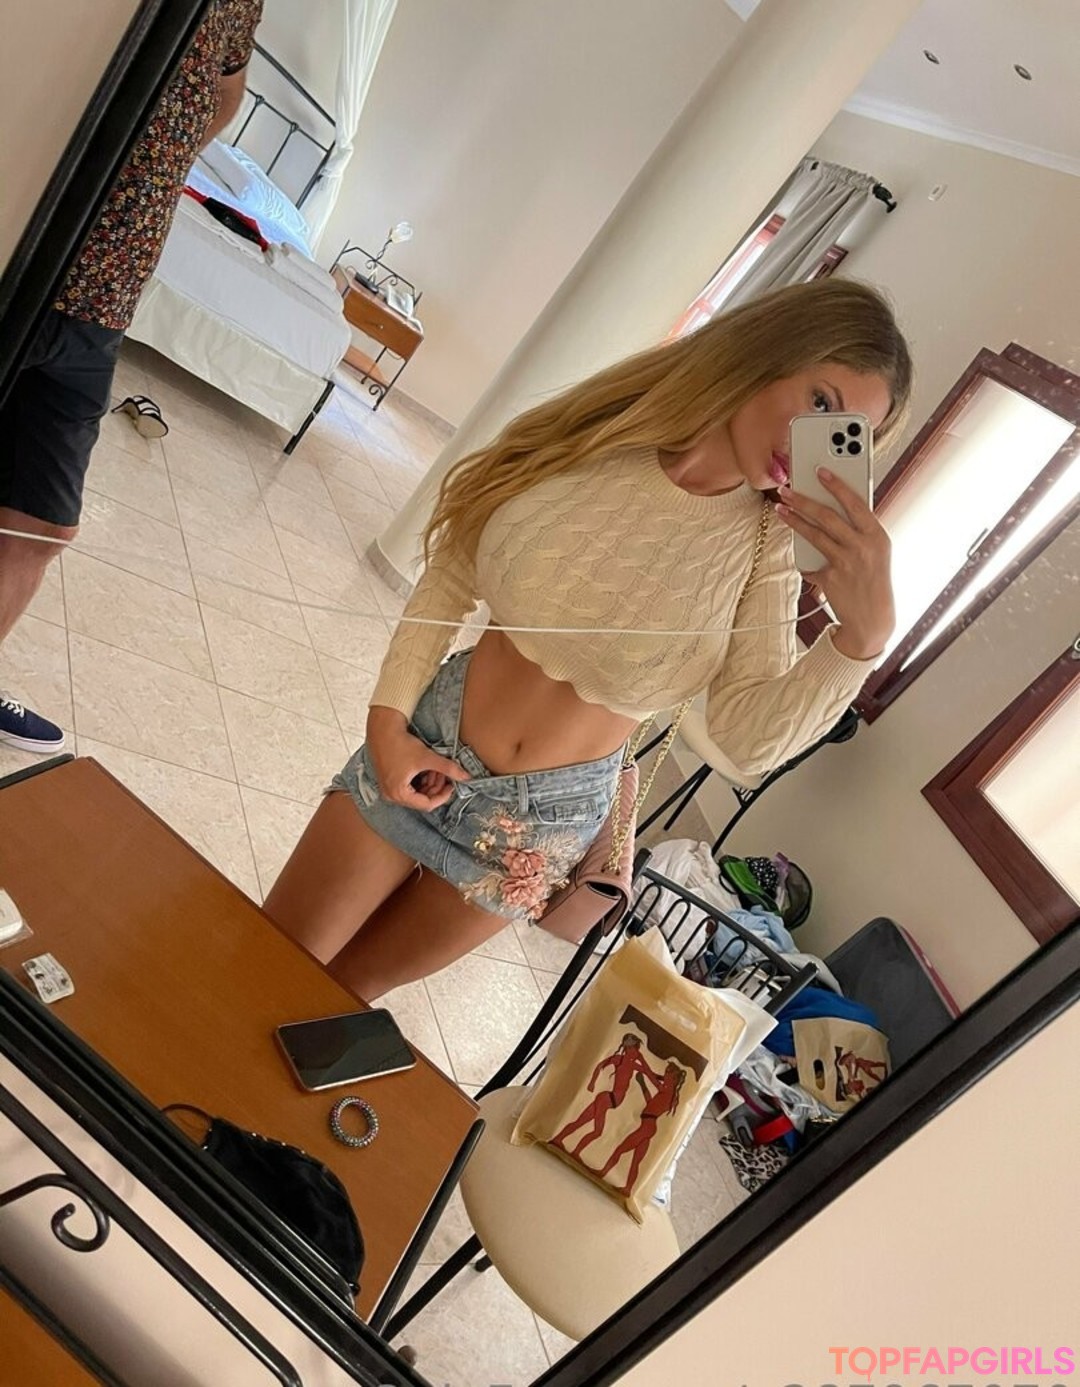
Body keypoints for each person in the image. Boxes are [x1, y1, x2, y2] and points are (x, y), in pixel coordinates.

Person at [265, 278, 913, 1001]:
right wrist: (385, 724)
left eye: (849, 431)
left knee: (340, 1000)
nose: (815, 441)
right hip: (428, 743)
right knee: (265, 958)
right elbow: (453, 569)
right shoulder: (603, 429)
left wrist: (860, 643)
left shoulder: (768, 550)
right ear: (768, 349)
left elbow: (746, 743)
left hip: (540, 828)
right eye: (821, 402)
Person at [0, 0, 263, 752]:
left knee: (45, 525)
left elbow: (226, 96)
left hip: (103, 302)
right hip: (21, 248)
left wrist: (157, 157)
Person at [550, 1034, 660, 1159]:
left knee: (580, 1122)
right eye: (635, 1048)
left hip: (607, 1099)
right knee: (597, 1131)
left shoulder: (633, 1065)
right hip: (608, 1099)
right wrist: (592, 1082)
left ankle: (559, 1139)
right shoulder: (619, 1060)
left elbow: (649, 1072)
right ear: (628, 1048)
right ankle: (575, 1152)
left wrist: (659, 1078)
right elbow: (600, 1065)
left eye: (637, 1049)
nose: (637, 1052)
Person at [595, 1062, 687, 1196]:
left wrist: (644, 1069)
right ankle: (628, 1189)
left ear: (673, 1079)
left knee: (620, 1150)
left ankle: (603, 1172)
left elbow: (652, 1077)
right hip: (650, 1126)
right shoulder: (670, 1094)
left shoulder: (665, 1091)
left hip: (646, 1127)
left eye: (667, 1073)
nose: (664, 1075)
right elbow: (651, 1104)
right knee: (636, 1161)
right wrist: (643, 1084)